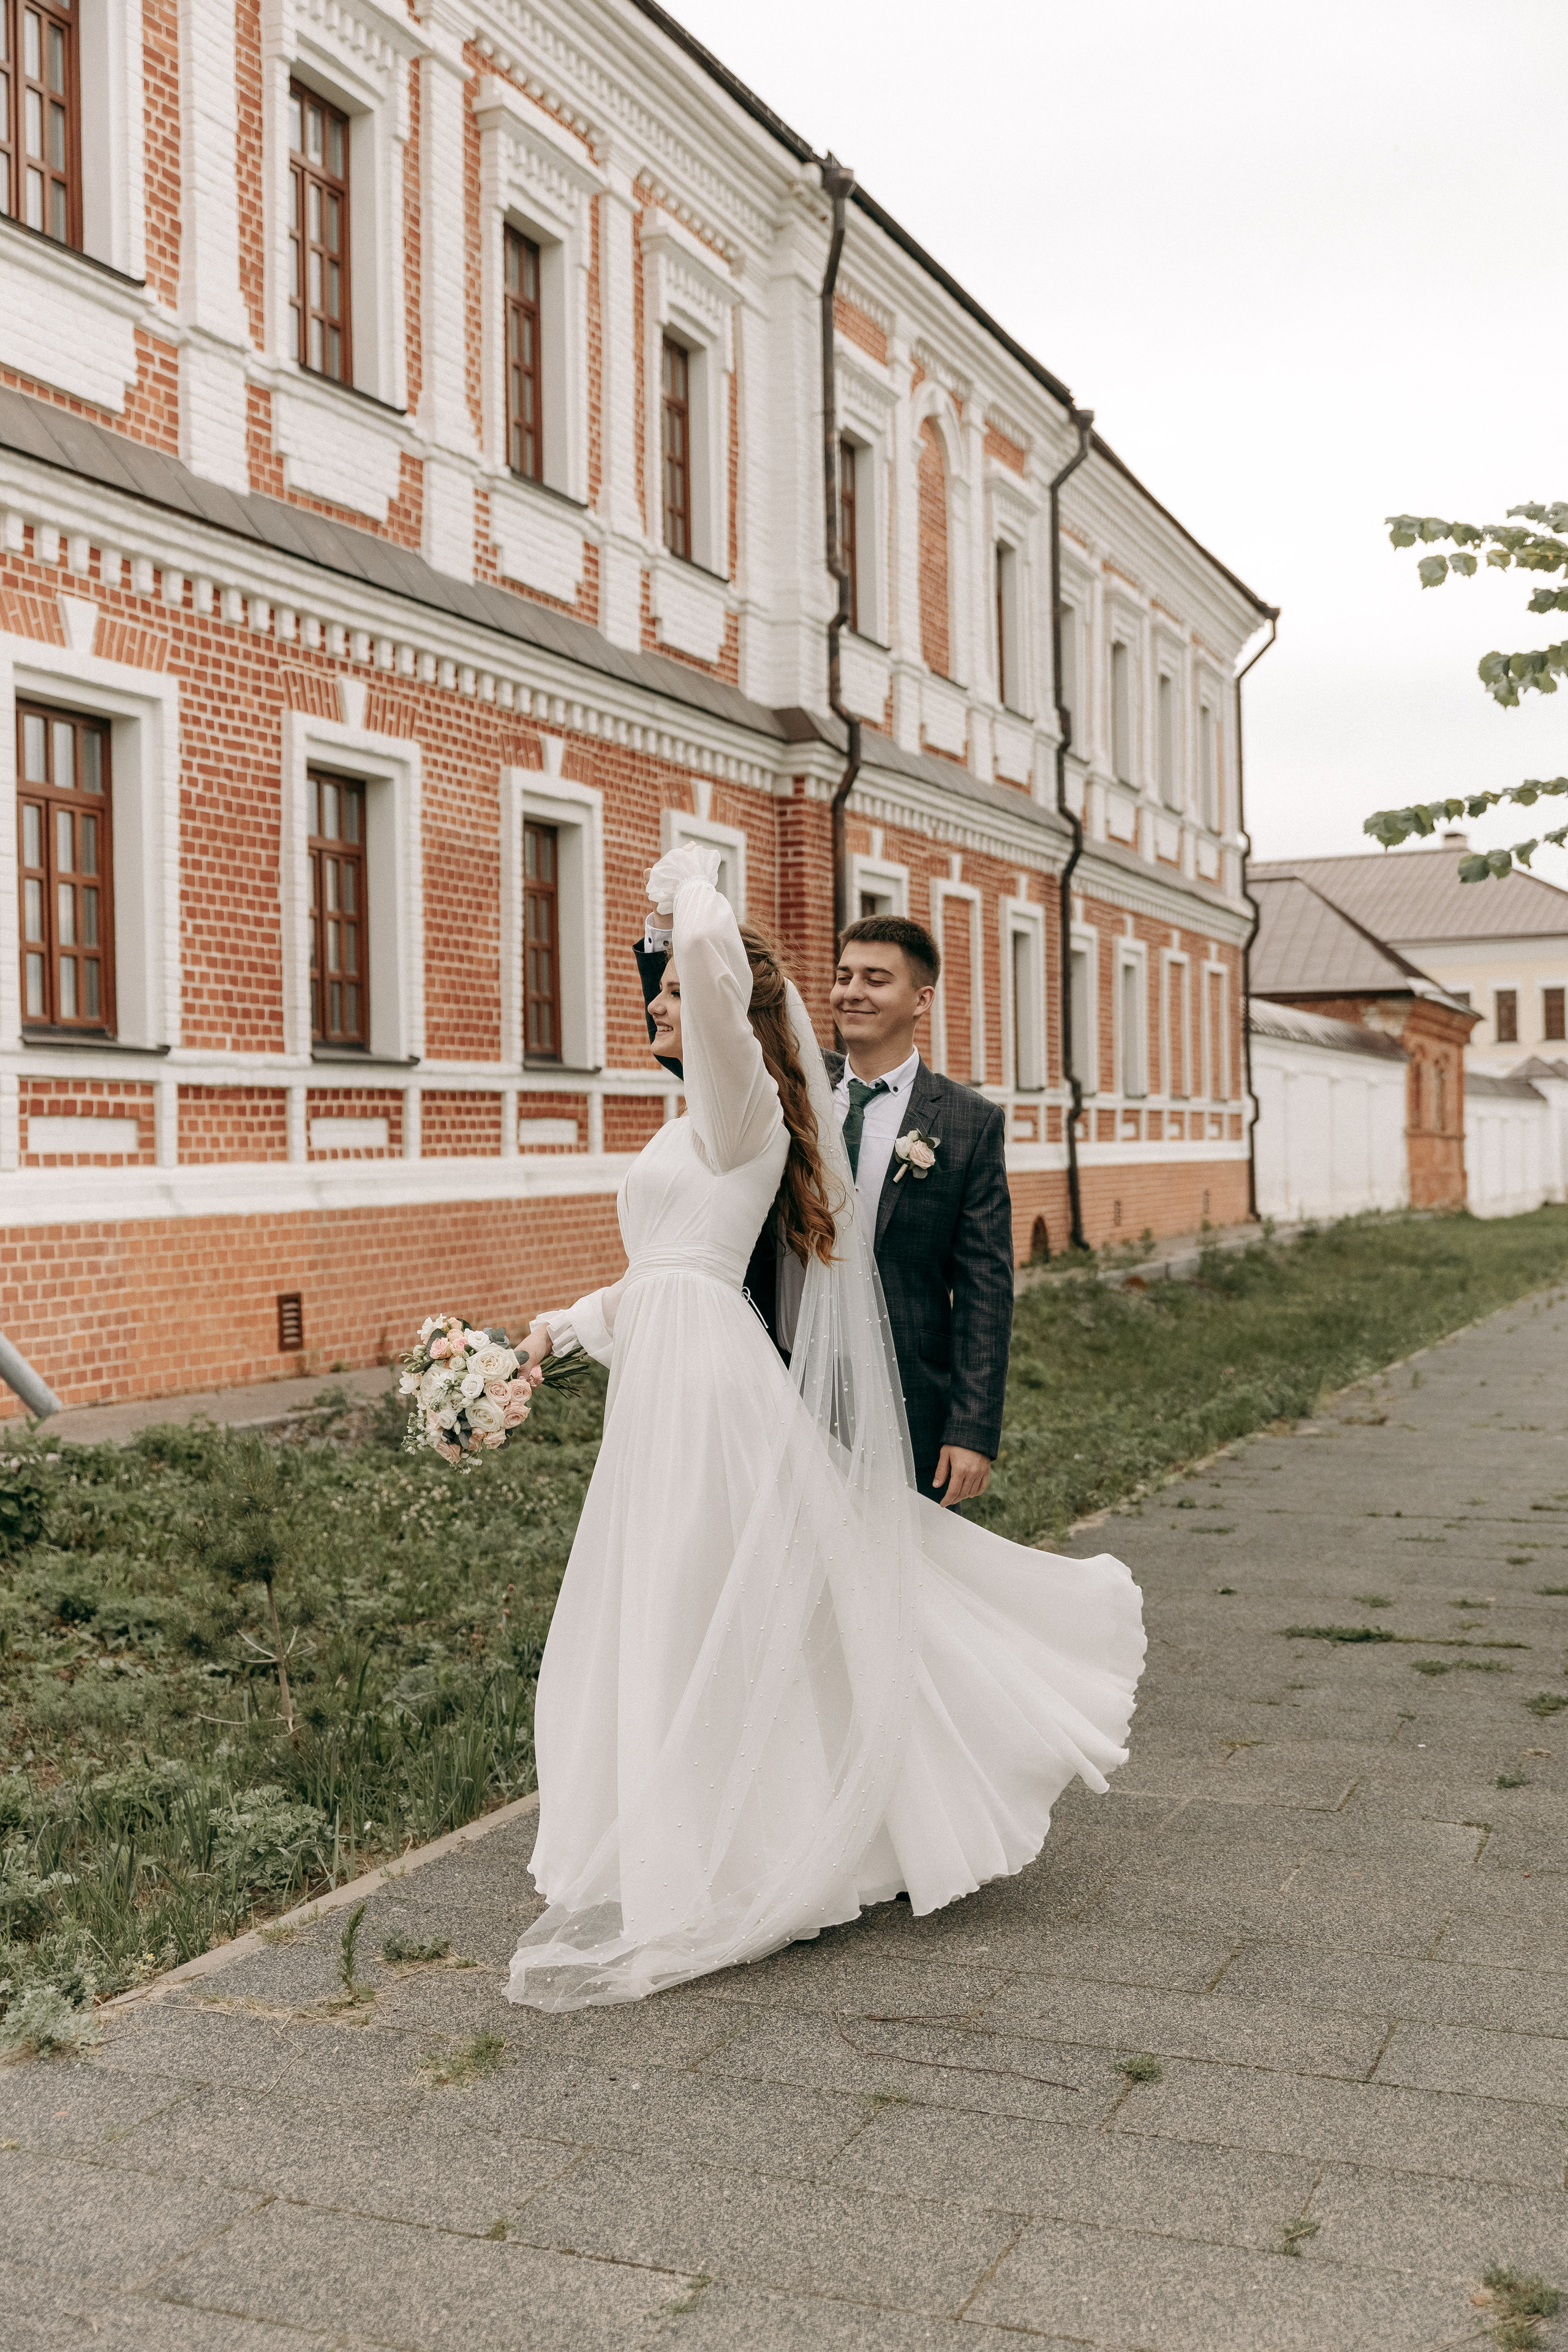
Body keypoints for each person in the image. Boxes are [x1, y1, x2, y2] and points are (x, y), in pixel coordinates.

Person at [504, 845, 1144, 2013]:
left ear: (732, 1019)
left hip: (711, 1394)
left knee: (725, 1599)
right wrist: (550, 1332)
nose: (654, 1000)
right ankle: (695, 1822)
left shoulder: (740, 1107)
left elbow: (700, 956)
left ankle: (771, 1832)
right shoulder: (702, 1123)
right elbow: (664, 1270)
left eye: (668, 995)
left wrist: (683, 885)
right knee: (687, 1603)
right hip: (681, 1376)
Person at [634, 910, 1012, 1506]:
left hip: (905, 1387)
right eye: (842, 976)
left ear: (921, 999)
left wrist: (972, 1429)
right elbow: (696, 1038)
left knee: (906, 1574)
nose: (851, 992)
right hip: (779, 1374)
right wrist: (665, 947)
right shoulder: (786, 1086)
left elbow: (985, 1286)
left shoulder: (969, 1123)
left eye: (874, 979)